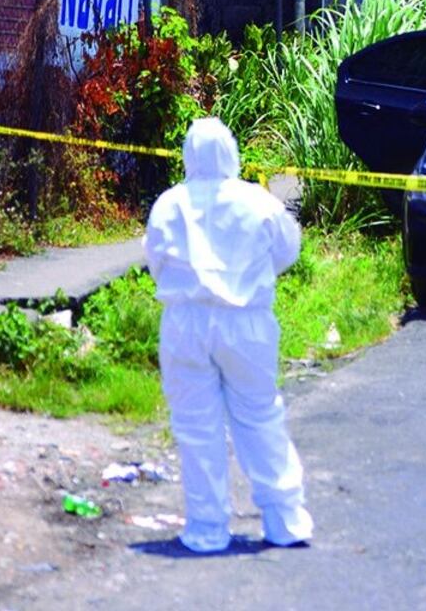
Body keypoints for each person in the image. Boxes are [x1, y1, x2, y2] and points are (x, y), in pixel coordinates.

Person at [145, 117, 313, 553]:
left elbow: (156, 261)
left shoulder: (169, 203)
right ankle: (286, 520)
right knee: (260, 416)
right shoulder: (258, 202)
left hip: (185, 321)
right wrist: (246, 278)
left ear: (188, 154)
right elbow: (286, 251)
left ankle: (206, 529)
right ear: (232, 152)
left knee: (196, 426)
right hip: (247, 322)